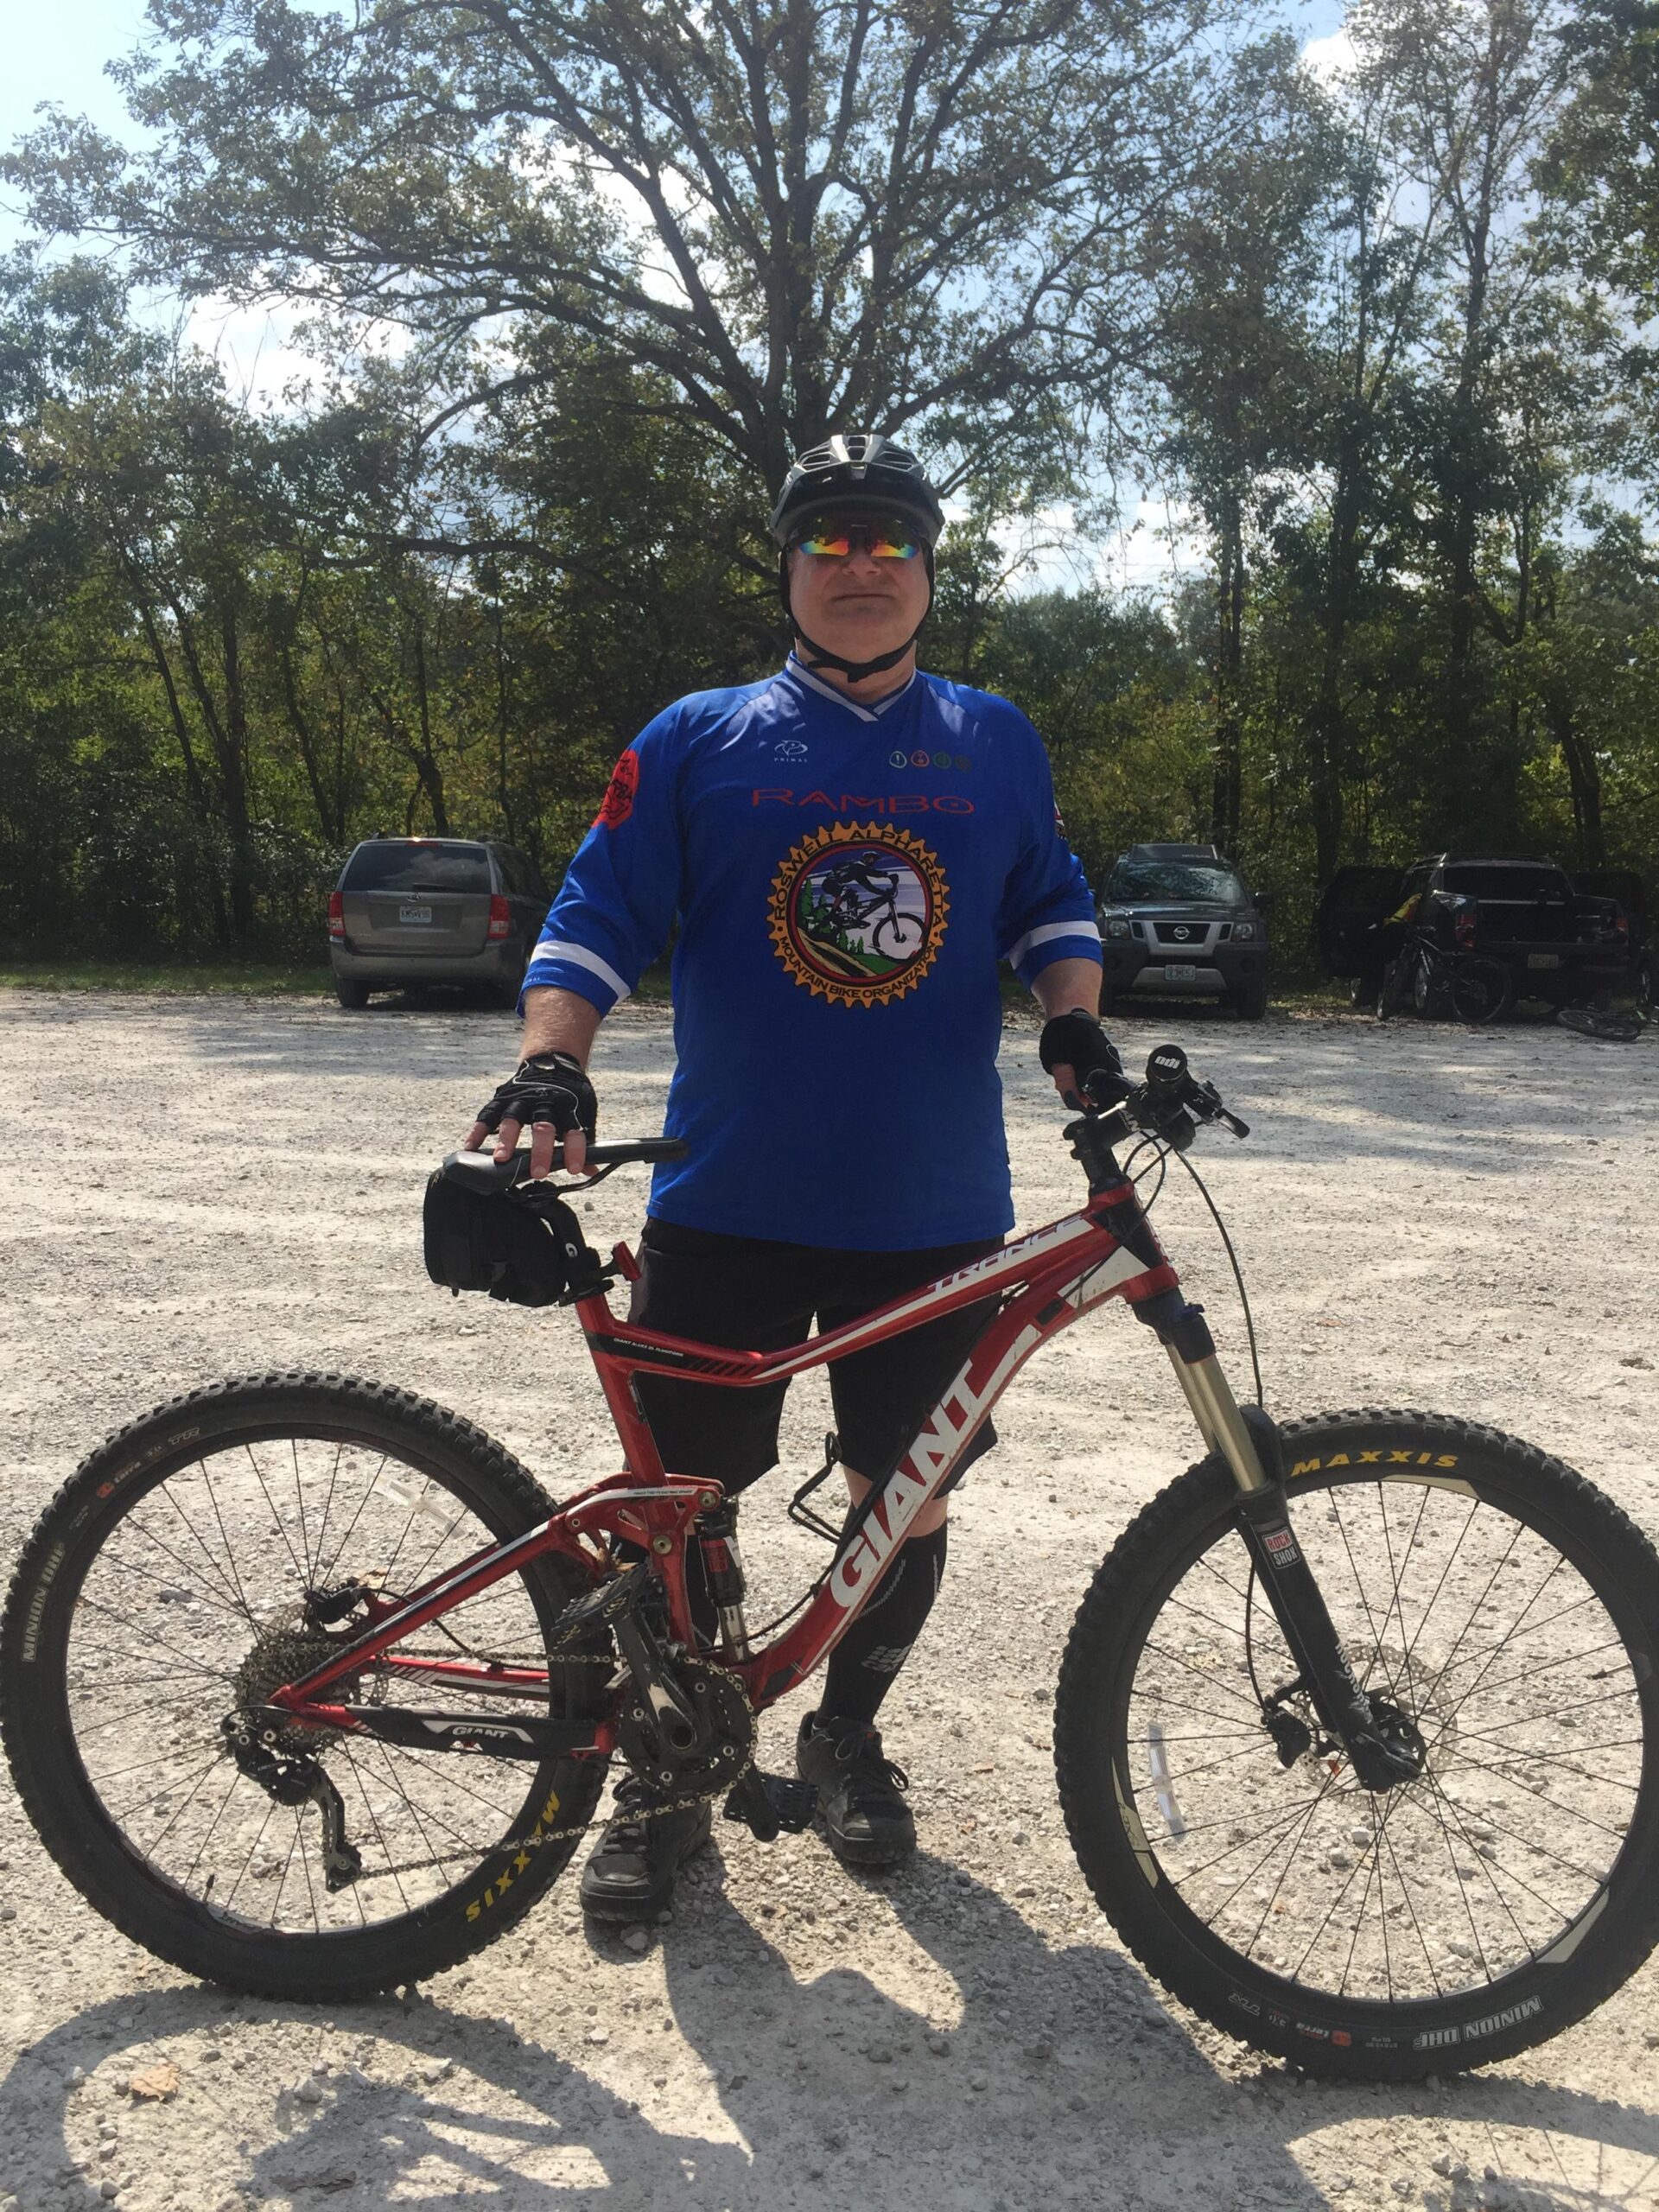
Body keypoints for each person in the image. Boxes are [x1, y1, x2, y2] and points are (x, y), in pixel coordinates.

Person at [467, 432, 1124, 1922]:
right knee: (682, 1507)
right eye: (830, 541)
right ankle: (669, 1778)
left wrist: (1078, 1025)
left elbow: (1053, 906)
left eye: (891, 540)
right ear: (790, 565)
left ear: (930, 566)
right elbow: (590, 914)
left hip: (930, 1208)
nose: (862, 566)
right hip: (732, 1194)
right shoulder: (700, 736)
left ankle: (846, 1739)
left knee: (915, 1497)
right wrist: (556, 1057)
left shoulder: (994, 739)